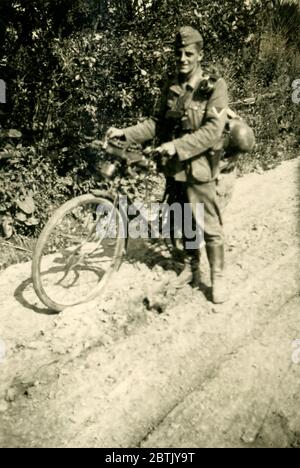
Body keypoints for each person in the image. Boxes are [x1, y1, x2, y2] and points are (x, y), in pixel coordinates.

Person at [106, 26, 254, 304]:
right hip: (174, 167)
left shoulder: (214, 86)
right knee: (183, 218)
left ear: (199, 55)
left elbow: (212, 130)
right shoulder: (171, 85)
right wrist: (124, 132)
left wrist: (177, 146)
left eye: (188, 53)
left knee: (209, 224)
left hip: (199, 167)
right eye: (178, 53)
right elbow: (156, 123)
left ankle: (217, 278)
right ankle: (192, 267)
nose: (183, 58)